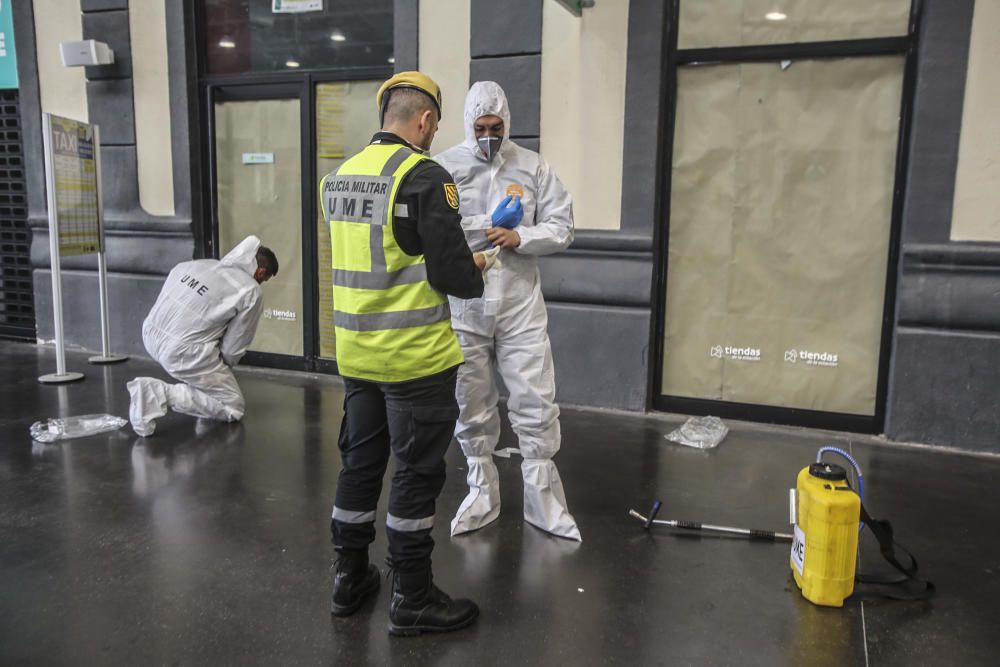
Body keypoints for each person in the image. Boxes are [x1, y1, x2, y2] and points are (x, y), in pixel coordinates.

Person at [322, 71, 493, 636]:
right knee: (416, 478)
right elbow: (453, 274)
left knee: (360, 466)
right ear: (424, 121)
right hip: (414, 359)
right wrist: (478, 266)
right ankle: (413, 597)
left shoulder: (339, 177)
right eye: (435, 124)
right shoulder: (424, 176)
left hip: (355, 355)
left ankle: (349, 579)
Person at [434, 81, 581, 541]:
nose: (488, 137)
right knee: (470, 401)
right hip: (466, 304)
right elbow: (433, 234)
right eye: (480, 128)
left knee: (535, 398)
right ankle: (481, 493)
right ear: (467, 125)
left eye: (496, 127)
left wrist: (522, 237)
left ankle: (544, 502)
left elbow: (563, 226)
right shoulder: (444, 167)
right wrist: (484, 226)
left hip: (519, 307)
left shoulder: (532, 167)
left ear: (507, 124)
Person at [126, 236, 277, 437]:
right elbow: (233, 346)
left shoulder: (195, 265)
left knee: (207, 357)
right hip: (183, 353)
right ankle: (155, 394)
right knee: (232, 405)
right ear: (260, 272)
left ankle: (198, 383)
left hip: (149, 333)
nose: (262, 283)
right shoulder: (250, 291)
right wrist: (224, 367)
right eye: (264, 279)